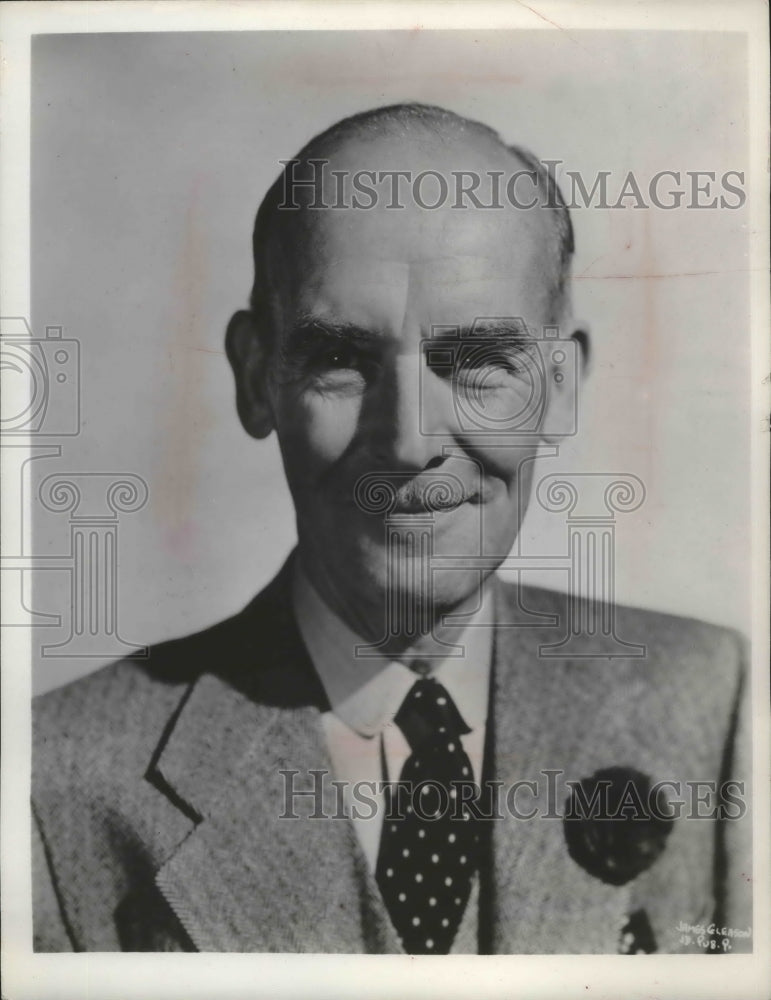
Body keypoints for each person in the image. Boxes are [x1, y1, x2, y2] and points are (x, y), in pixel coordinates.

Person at [32, 103, 751, 954]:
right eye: (341, 360)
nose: (409, 443)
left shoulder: (705, 703)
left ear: (559, 389)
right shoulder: (54, 783)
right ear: (258, 378)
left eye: (478, 362)